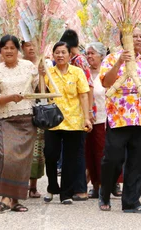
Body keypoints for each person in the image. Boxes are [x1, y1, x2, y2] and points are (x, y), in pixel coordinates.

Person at [99, 28, 141, 214]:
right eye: (134, 36)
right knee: (113, 159)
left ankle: (131, 202)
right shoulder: (111, 59)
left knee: (137, 161)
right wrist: (119, 63)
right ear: (123, 39)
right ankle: (105, 193)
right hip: (118, 117)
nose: (138, 39)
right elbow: (105, 82)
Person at [0, 35, 38, 213]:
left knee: (22, 161)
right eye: (5, 48)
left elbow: (39, 89)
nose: (9, 51)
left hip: (27, 119)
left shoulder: (29, 67)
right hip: (6, 119)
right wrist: (11, 98)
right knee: (7, 157)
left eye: (12, 48)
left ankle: (16, 200)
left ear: (18, 50)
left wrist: (44, 74)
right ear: (0, 50)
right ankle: (5, 197)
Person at [43, 41, 92, 205]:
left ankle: (66, 193)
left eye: (63, 52)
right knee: (50, 154)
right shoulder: (48, 72)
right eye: (57, 52)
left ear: (70, 56)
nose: (60, 55)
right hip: (52, 121)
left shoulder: (77, 72)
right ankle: (51, 185)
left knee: (71, 159)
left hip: (74, 121)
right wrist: (40, 74)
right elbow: (41, 92)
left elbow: (84, 95)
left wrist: (86, 117)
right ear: (53, 55)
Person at [60, 29, 94, 201]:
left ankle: (81, 188)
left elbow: (88, 86)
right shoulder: (73, 60)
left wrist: (89, 111)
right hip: (72, 113)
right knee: (73, 151)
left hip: (80, 113)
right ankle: (74, 187)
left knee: (78, 151)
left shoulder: (79, 60)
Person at [21, 40, 44, 198]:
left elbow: (45, 89)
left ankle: (33, 186)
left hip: (38, 111)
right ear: (22, 47)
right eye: (27, 45)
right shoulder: (19, 64)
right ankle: (19, 185)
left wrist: (41, 74)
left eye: (34, 44)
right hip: (20, 109)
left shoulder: (45, 63)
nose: (31, 48)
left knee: (37, 150)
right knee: (20, 149)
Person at [85, 42, 107, 199]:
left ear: (101, 56)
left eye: (93, 53)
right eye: (88, 53)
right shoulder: (83, 73)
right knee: (90, 154)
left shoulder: (106, 74)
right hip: (87, 120)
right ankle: (95, 185)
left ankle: (108, 184)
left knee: (103, 154)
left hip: (104, 119)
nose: (89, 56)